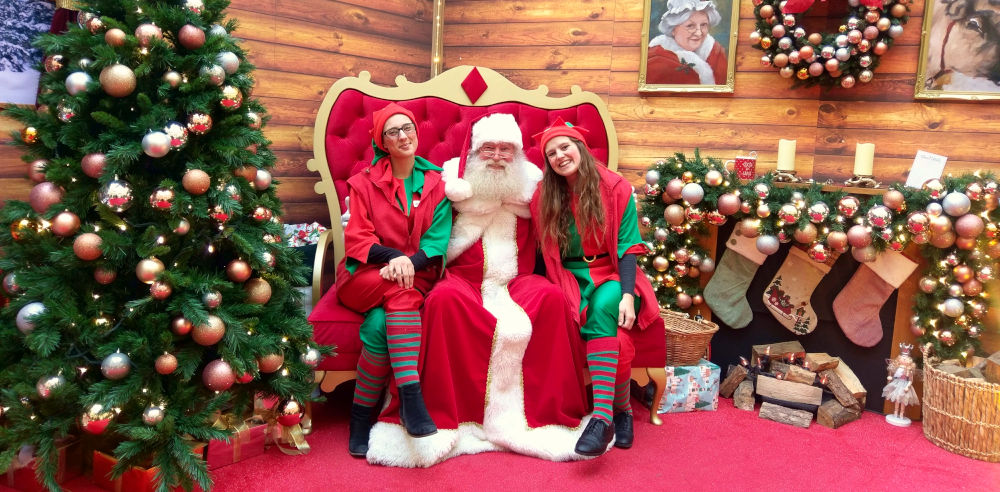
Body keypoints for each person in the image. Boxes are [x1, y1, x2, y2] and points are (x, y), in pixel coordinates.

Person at [366, 113, 591, 467]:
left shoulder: (532, 190)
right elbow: (423, 228)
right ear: (474, 152)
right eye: (489, 148)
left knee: (551, 299)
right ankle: (445, 416)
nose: (497, 156)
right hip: (464, 279)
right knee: (442, 301)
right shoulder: (452, 186)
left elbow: (565, 222)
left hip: (518, 281)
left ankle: (547, 416)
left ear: (517, 154)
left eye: (506, 149)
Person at [530, 118, 660, 456]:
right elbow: (543, 252)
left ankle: (601, 419)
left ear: (580, 148)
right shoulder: (544, 195)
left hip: (612, 273)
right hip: (569, 277)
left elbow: (628, 246)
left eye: (565, 147)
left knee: (604, 307)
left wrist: (628, 296)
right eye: (551, 154)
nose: (559, 156)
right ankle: (623, 411)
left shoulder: (615, 187)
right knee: (615, 337)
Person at [338, 102, 452, 457]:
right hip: (364, 276)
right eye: (393, 132)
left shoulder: (438, 183)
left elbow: (437, 242)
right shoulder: (362, 183)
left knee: (378, 327)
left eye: (408, 128)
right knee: (402, 290)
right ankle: (411, 400)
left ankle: (360, 420)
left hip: (415, 274)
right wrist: (395, 259)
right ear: (382, 142)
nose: (403, 136)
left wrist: (408, 264)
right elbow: (358, 238)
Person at [646, 0, 727, 85]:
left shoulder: (716, 52)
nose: (699, 33)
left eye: (703, 25)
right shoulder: (655, 59)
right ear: (673, 29)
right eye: (690, 26)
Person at [882, 343, 919, 427]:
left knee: (903, 400)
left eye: (905, 358)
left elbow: (911, 380)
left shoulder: (909, 370)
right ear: (899, 358)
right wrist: (890, 377)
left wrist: (907, 386)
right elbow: (894, 376)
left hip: (904, 385)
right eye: (902, 357)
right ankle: (895, 412)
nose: (904, 359)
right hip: (897, 383)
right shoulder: (897, 368)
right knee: (897, 399)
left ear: (909, 360)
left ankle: (901, 414)